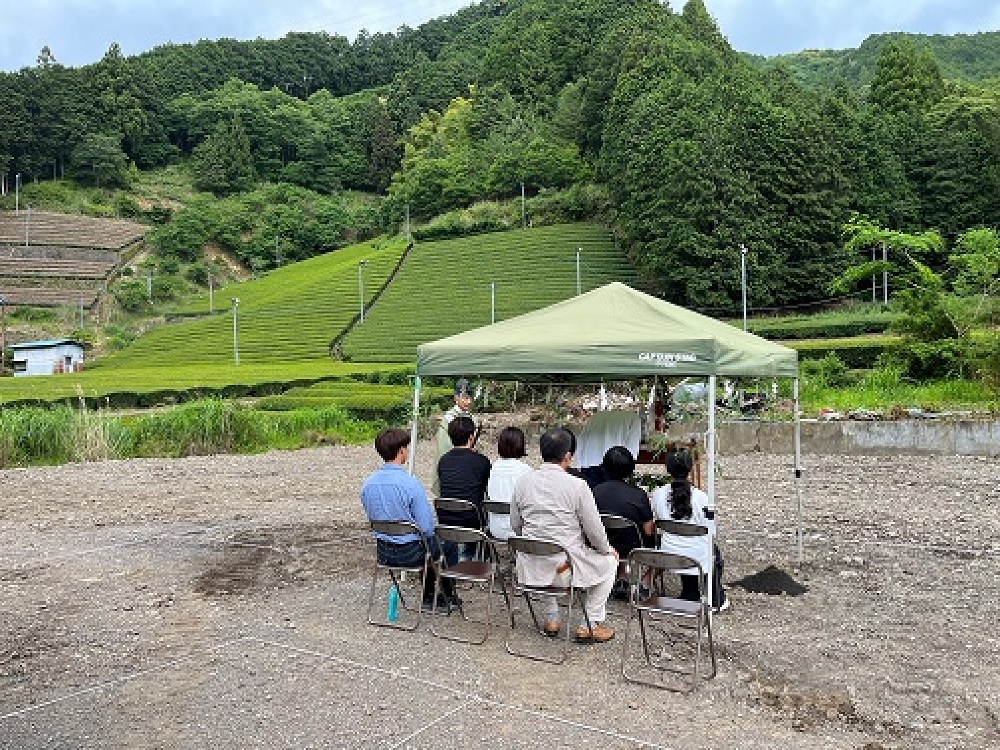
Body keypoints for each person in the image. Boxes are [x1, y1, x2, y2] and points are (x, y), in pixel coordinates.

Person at [510, 427, 619, 643]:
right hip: (564, 569)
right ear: (568, 456)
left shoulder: (523, 481)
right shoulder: (577, 485)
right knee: (610, 563)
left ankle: (552, 618)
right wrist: (607, 550)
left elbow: (515, 525)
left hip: (530, 565)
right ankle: (590, 624)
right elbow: (595, 531)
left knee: (548, 553)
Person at [360, 427, 458, 609]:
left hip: (383, 552)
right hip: (411, 553)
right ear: (402, 450)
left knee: (429, 543)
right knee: (445, 544)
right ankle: (444, 596)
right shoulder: (410, 484)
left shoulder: (368, 484)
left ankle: (429, 596)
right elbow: (427, 527)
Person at [650, 448, 728, 610]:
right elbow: (711, 531)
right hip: (697, 555)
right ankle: (715, 597)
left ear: (667, 469)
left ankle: (690, 591)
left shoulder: (658, 494)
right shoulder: (701, 498)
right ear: (691, 468)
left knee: (686, 543)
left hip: (669, 552)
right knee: (712, 551)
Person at [436, 415, 491, 561]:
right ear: (472, 437)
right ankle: (478, 554)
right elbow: (486, 490)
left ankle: (456, 555)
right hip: (472, 521)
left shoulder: (443, 460)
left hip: (445, 520)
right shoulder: (481, 461)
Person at [485, 426, 533, 540]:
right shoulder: (525, 470)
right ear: (521, 445)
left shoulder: (494, 468)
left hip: (495, 528)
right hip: (518, 530)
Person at [432, 378, 476, 495]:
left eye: (469, 398)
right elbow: (443, 447)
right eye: (465, 398)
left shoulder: (471, 417)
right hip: (453, 464)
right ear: (456, 398)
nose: (468, 402)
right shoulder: (448, 419)